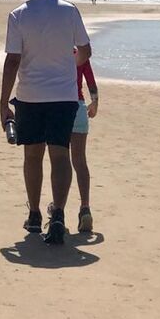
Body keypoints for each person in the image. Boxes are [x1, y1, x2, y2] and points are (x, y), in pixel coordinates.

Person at [0, 0, 91, 245]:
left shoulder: (18, 16)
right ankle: (60, 213)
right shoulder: (69, 10)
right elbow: (85, 51)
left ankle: (36, 213)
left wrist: (4, 102)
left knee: (32, 156)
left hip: (30, 95)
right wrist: (67, 64)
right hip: (64, 96)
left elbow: (13, 59)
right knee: (61, 155)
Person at [72, 49, 100, 233]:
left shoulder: (53, 50)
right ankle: (85, 209)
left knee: (61, 161)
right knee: (80, 161)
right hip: (79, 107)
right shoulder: (78, 54)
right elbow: (90, 81)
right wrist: (95, 102)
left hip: (58, 107)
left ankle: (58, 211)